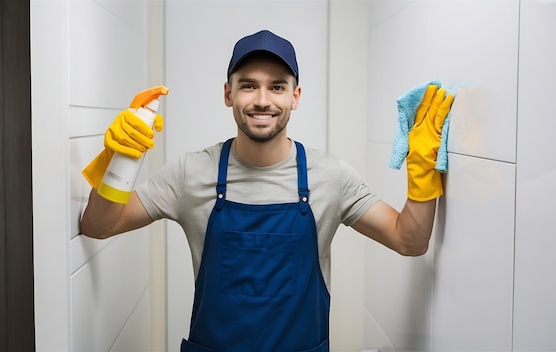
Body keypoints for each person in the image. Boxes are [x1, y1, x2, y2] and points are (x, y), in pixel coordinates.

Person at [80, 29, 453, 352]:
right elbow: (100, 225)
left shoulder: (331, 176)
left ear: (295, 96)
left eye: (277, 86)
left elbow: (411, 240)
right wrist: (117, 159)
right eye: (248, 85)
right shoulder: (189, 174)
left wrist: (421, 170)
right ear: (228, 94)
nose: (262, 100)